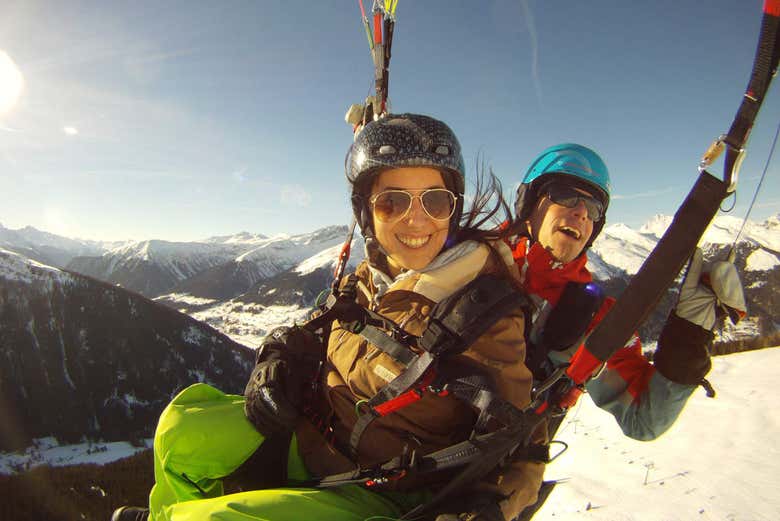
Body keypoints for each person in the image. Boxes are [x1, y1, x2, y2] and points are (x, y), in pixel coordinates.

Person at [112, 114, 546, 521]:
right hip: (313, 437)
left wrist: (493, 507)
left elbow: (525, 443)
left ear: (453, 207)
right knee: (180, 428)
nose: (417, 219)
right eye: (392, 202)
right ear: (366, 211)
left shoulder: (482, 311)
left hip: (385, 489)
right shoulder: (371, 277)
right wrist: (277, 355)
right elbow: (315, 328)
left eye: (434, 200)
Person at [508, 143, 747, 517]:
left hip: (485, 486)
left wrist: (691, 333)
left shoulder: (592, 320)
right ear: (529, 203)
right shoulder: (465, 257)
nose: (581, 212)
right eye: (565, 194)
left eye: (594, 208)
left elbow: (645, 418)